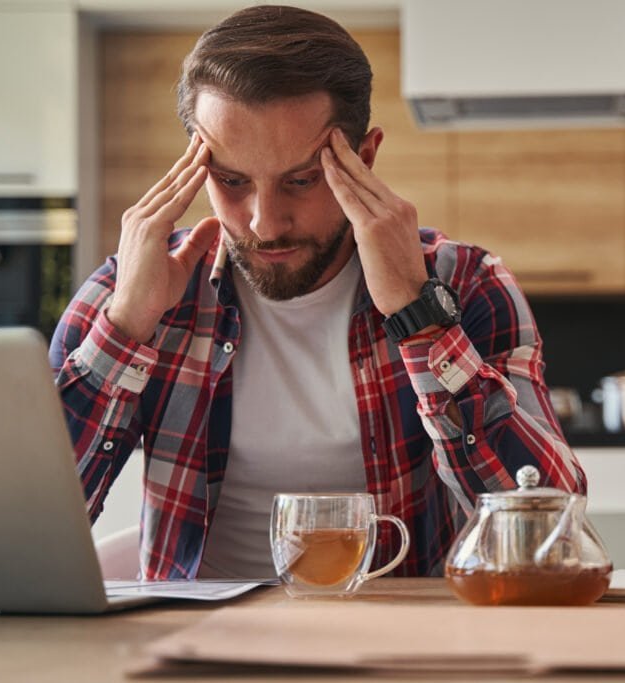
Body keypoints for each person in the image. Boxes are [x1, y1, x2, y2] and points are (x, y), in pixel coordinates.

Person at [49, 5, 584, 581]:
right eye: (231, 181)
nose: (264, 223)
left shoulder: (463, 282)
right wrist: (127, 326)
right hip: (198, 650)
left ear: (366, 158)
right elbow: (28, 522)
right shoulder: (130, 286)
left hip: (408, 644)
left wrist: (420, 316)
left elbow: (547, 523)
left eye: (301, 180)